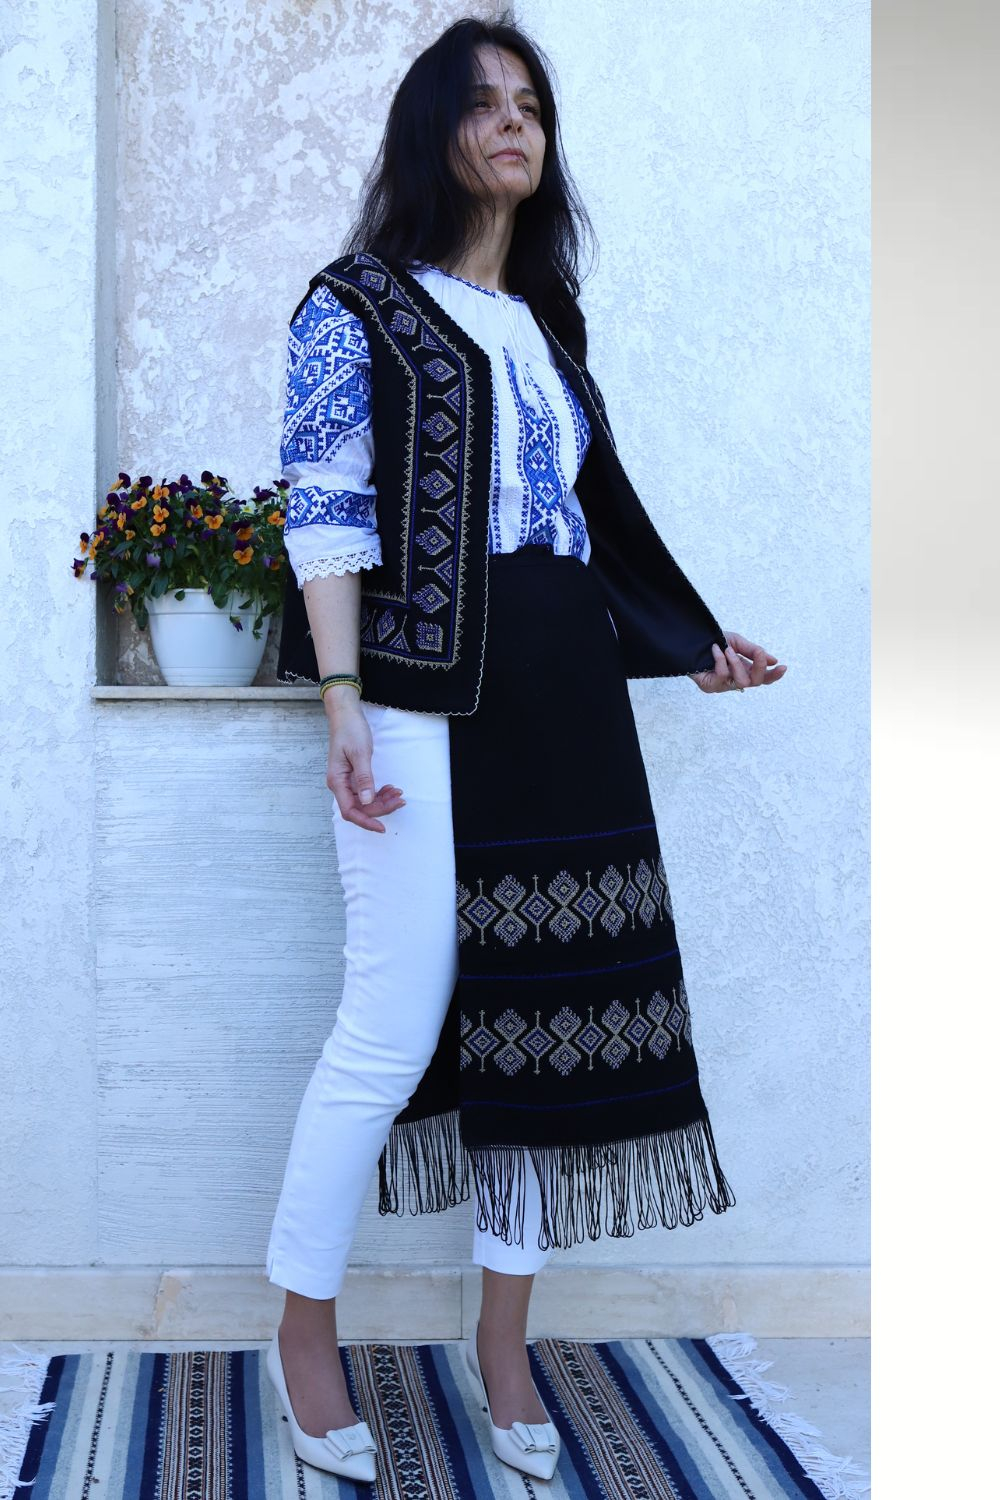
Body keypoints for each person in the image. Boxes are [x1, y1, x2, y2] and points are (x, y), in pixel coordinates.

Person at [264, 12, 787, 1485]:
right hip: (422, 698)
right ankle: (303, 1333)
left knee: (539, 1030)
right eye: (484, 102)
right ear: (432, 132)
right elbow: (324, 507)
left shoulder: (550, 331)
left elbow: (592, 532)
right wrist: (343, 699)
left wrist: (694, 645)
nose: (514, 124)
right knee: (392, 1023)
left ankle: (505, 1345)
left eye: (532, 106)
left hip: (562, 699)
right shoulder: (356, 306)